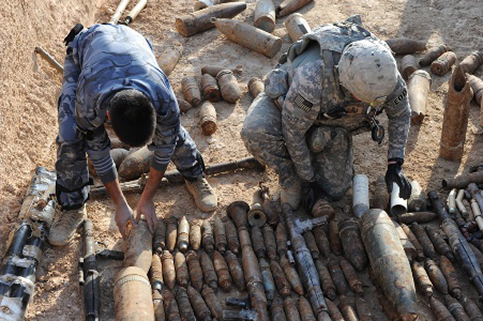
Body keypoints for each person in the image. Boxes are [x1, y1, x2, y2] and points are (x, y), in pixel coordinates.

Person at [49, 23, 217, 246]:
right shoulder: (89, 102)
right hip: (86, 47)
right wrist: (120, 203)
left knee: (173, 131)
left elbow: (165, 145)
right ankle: (73, 206)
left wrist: (146, 199)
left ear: (152, 108)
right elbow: (98, 153)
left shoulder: (163, 97)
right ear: (107, 116)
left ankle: (194, 175)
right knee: (70, 135)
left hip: (132, 41)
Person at [241, 15, 412, 213]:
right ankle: (290, 176)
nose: (369, 104)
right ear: (344, 81)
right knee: (255, 131)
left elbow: (401, 114)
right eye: (362, 98)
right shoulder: (313, 78)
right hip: (291, 105)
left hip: (333, 123)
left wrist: (395, 163)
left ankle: (324, 141)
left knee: (335, 192)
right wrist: (307, 180)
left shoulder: (386, 75)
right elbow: (293, 131)